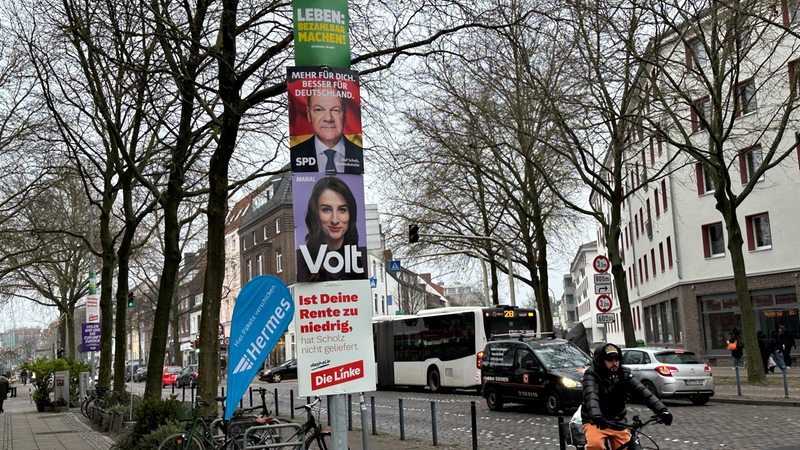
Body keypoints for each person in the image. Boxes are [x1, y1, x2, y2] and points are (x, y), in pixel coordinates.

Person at [581, 343, 672, 450]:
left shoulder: (624, 373)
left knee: (627, 447)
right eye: (610, 360)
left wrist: (662, 410)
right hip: (595, 422)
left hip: (618, 422)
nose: (614, 363)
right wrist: (596, 416)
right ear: (601, 361)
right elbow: (591, 396)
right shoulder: (592, 375)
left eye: (617, 359)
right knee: (596, 445)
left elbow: (643, 391)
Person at [296, 176, 366, 282]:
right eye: (326, 209)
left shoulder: (362, 258)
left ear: (351, 214)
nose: (334, 220)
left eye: (342, 210)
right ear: (315, 213)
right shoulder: (301, 260)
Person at [290, 90, 364, 174]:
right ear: (308, 114)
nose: (328, 118)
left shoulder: (357, 154)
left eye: (335, 110)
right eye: (319, 110)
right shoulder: (295, 155)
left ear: (345, 115)